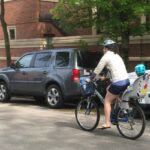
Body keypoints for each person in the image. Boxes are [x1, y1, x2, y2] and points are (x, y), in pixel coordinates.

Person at [91, 39, 130, 129]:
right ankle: (117, 112)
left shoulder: (106, 56)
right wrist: (105, 77)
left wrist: (90, 79)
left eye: (103, 48)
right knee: (108, 89)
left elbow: (97, 69)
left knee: (107, 101)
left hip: (118, 83)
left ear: (106, 48)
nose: (102, 49)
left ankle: (107, 123)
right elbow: (114, 69)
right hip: (126, 81)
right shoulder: (117, 56)